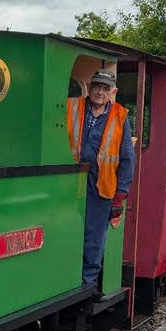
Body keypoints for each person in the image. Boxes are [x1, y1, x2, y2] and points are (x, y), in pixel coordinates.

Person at [66, 69, 136, 289]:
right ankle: (66, 279)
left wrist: (120, 195)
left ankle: (87, 284)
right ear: (89, 87)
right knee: (67, 229)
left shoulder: (120, 116)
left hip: (101, 184)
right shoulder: (72, 106)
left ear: (112, 92)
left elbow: (127, 158)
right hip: (70, 181)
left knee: (94, 236)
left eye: (105, 88)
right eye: (96, 86)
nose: (100, 92)